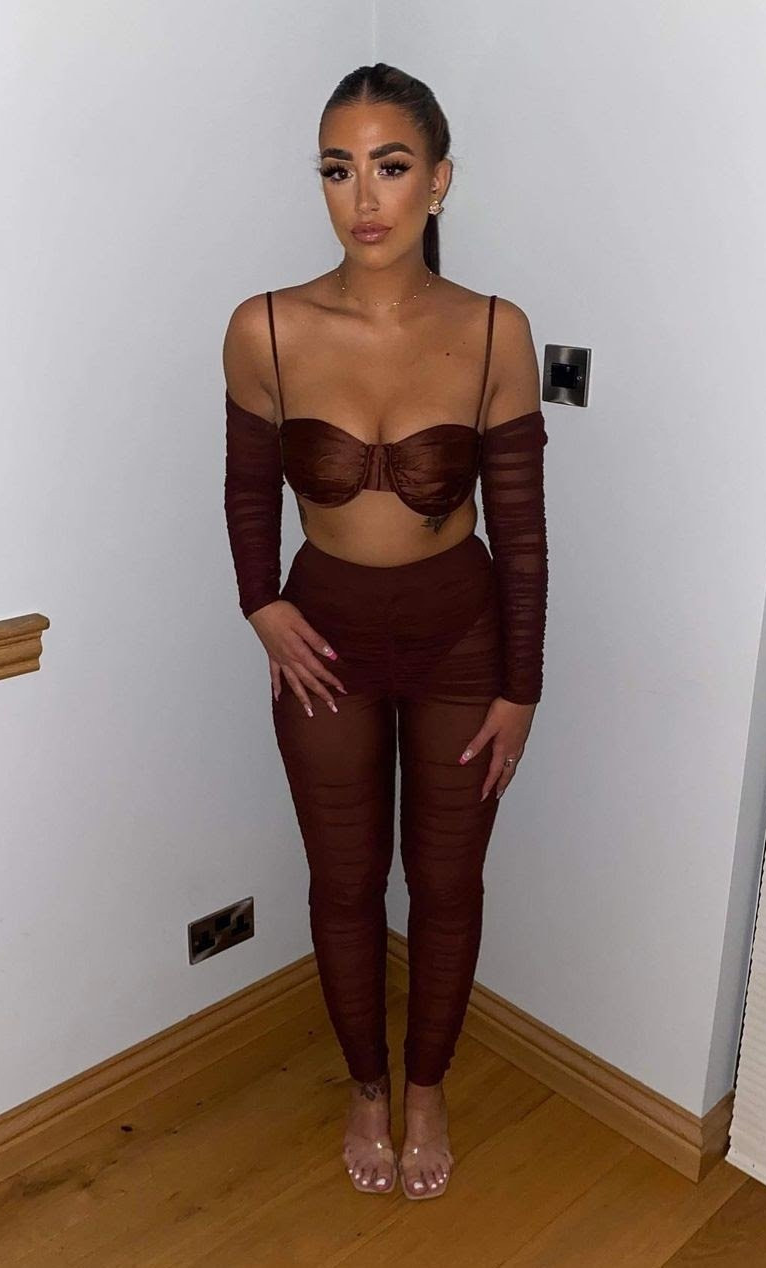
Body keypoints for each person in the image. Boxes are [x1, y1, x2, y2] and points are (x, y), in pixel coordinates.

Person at [222, 62, 548, 1201]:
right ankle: (367, 1084)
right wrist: (260, 602)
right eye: (338, 169)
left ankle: (427, 1087)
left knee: (448, 886)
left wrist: (522, 687)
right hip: (325, 648)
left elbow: (522, 530)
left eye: (391, 166)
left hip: (463, 643)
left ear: (438, 181)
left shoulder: (496, 331)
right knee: (345, 880)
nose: (363, 197)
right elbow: (247, 490)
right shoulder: (264, 327)